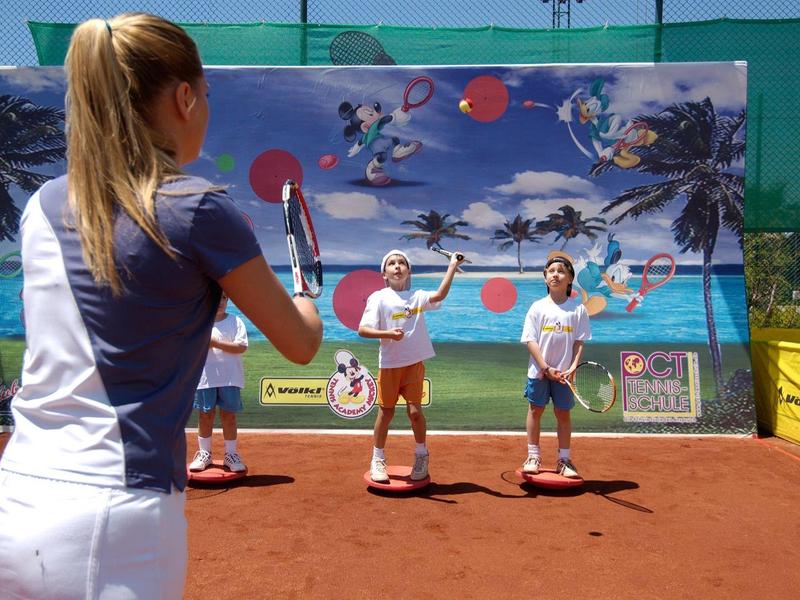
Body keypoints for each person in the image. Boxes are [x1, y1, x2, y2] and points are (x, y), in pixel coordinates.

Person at [0, 13, 322, 599]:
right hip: (116, 512)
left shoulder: (41, 206)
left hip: (18, 495)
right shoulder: (198, 209)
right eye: (205, 94)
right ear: (183, 97)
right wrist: (307, 298)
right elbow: (300, 344)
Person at [358, 248, 464, 483]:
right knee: (386, 413)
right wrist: (388, 333)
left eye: (401, 263)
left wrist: (452, 268)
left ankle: (421, 456)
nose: (397, 266)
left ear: (408, 271)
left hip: (414, 364)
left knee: (415, 413)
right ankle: (377, 458)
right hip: (389, 365)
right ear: (384, 273)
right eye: (392, 264)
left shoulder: (417, 296)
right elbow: (363, 330)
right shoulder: (379, 297)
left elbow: (439, 296)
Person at [520, 255, 590, 479]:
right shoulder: (537, 307)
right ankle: (533, 456)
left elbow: (579, 342)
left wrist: (572, 368)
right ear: (545, 278)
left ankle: (564, 459)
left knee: (563, 414)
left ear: (570, 279)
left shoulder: (578, 310)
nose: (555, 275)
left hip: (565, 375)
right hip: (540, 373)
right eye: (551, 271)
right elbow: (530, 340)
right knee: (535, 410)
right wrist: (545, 367)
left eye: (561, 271)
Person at [189, 293, 249, 473]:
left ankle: (231, 455)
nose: (219, 302)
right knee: (205, 415)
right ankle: (204, 453)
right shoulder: (199, 322)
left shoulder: (236, 321)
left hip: (230, 377)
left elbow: (241, 346)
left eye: (222, 298)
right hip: (204, 378)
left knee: (228, 416)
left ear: (227, 300)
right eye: (215, 298)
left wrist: (215, 343)